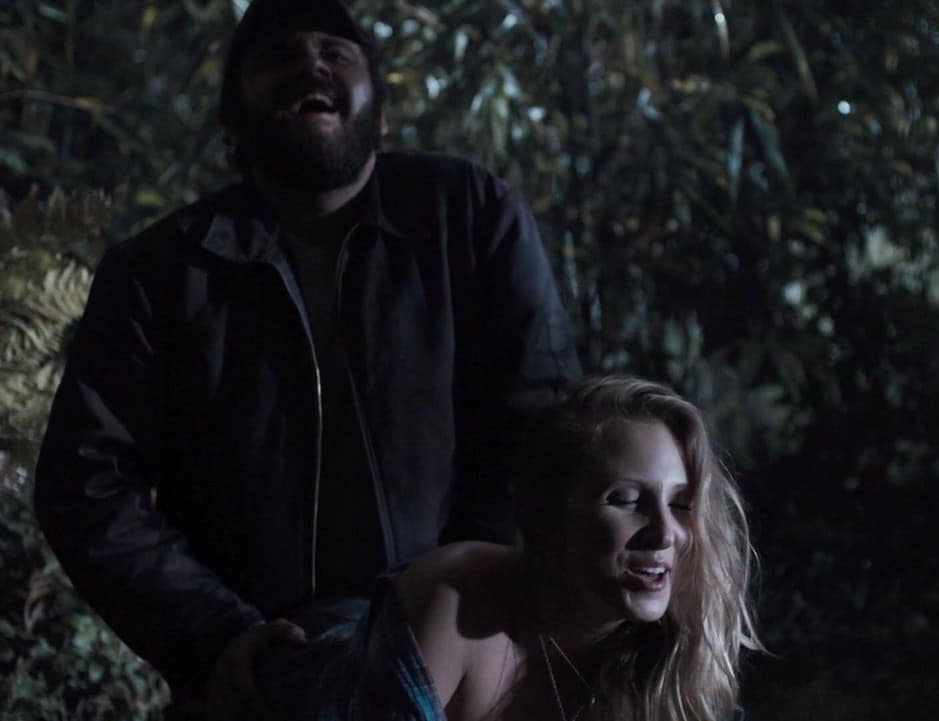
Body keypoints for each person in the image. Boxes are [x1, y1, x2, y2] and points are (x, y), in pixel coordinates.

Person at [32, 0, 580, 718]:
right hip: (255, 681)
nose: (312, 65)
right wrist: (217, 635)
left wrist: (459, 611)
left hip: (465, 668)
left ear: (381, 115)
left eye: (336, 53)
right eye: (279, 57)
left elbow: (545, 428)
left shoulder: (469, 217)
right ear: (232, 124)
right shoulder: (160, 272)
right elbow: (87, 481)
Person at [256, 375, 760, 721]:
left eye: (681, 504)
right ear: (548, 513)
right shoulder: (456, 600)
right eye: (627, 500)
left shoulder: (680, 659)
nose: (665, 532)